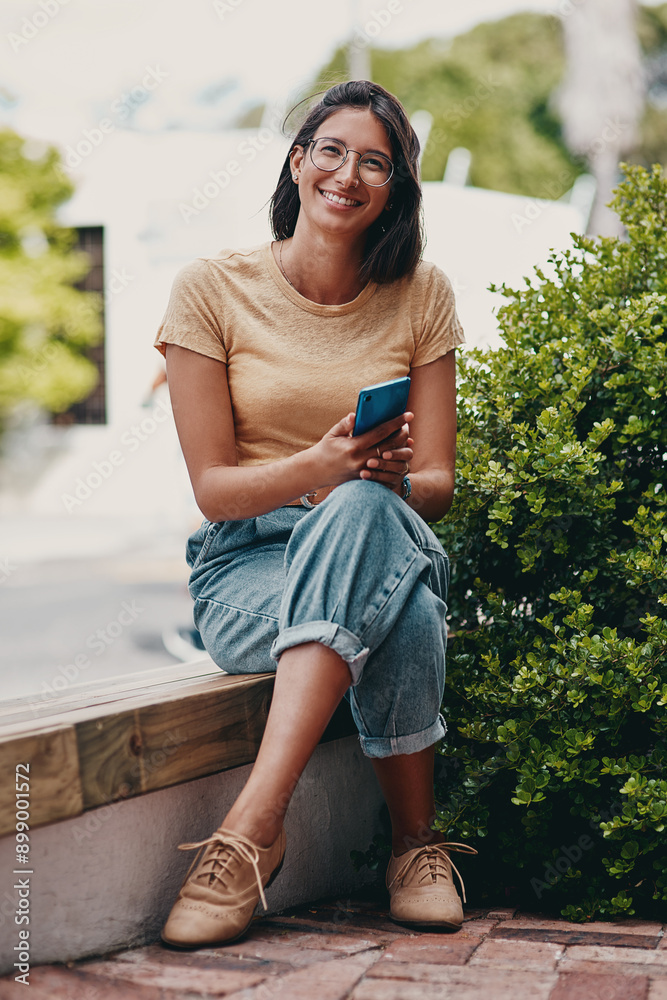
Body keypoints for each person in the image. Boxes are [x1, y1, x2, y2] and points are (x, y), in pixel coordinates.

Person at [153, 79, 475, 950]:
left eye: (376, 162)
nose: (348, 173)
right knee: (402, 608)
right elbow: (214, 490)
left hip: (385, 530)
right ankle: (414, 846)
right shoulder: (209, 289)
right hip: (246, 569)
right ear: (297, 162)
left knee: (366, 513)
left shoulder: (423, 293)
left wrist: (383, 479)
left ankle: (250, 830)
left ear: (395, 190)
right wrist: (318, 468)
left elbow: (439, 483)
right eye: (330, 150)